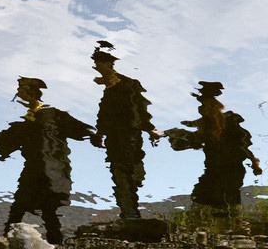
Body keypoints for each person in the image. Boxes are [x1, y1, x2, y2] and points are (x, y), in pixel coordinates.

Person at [0, 77, 100, 244]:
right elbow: (10, 139)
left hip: (53, 169)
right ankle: (8, 238)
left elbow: (82, 128)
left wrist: (94, 135)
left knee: (47, 208)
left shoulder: (54, 114)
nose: (18, 96)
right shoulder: (27, 121)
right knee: (22, 205)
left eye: (21, 92)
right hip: (34, 168)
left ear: (31, 94)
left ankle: (53, 242)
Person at [165, 82, 262, 210]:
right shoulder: (206, 129)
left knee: (226, 200)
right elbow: (192, 140)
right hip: (214, 168)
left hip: (231, 169)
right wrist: (169, 134)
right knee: (204, 197)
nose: (203, 112)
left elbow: (243, 145)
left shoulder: (230, 124)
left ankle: (229, 212)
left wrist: (254, 163)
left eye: (205, 108)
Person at [92, 41, 162, 219]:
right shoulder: (110, 88)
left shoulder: (127, 84)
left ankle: (130, 211)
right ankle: (129, 211)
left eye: (98, 63)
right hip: (115, 137)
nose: (96, 67)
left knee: (126, 171)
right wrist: (100, 133)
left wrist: (149, 128)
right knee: (121, 171)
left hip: (128, 135)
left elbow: (138, 108)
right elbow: (105, 113)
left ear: (108, 64)